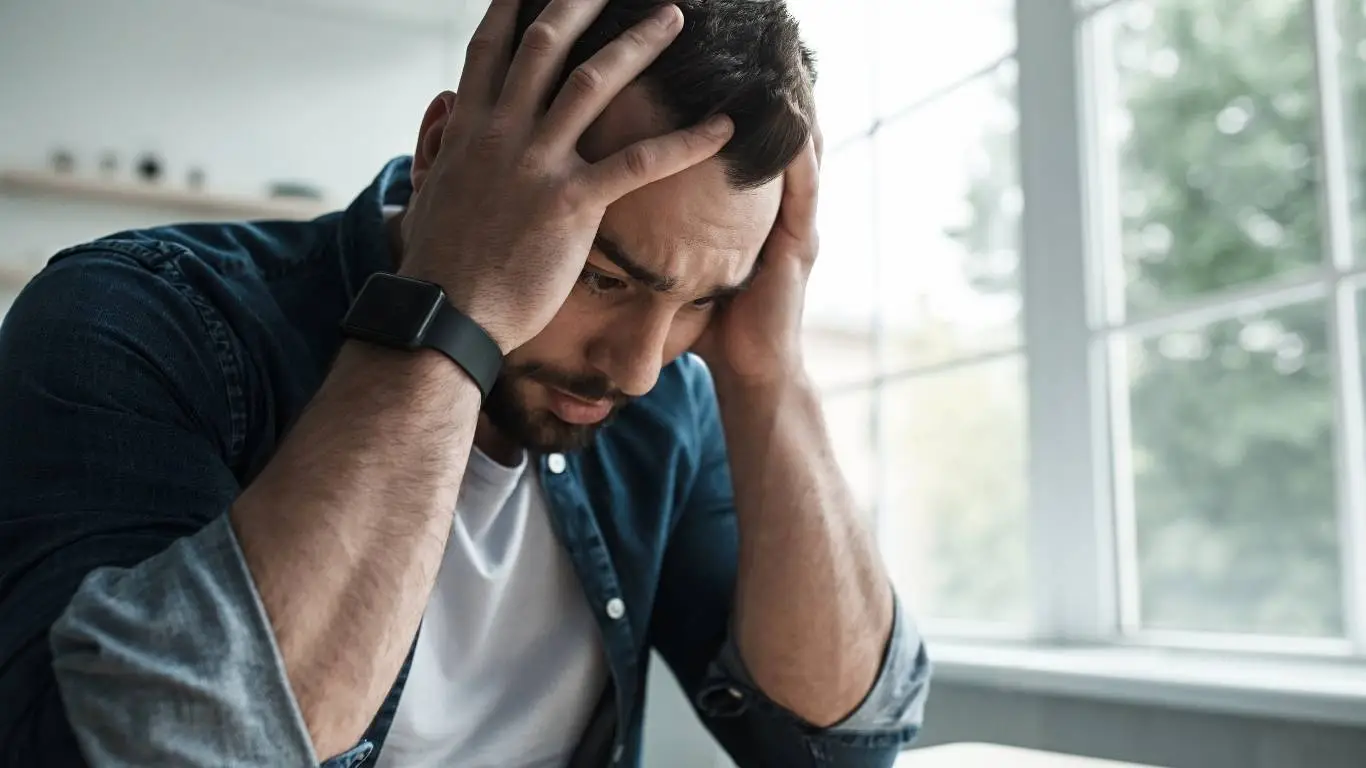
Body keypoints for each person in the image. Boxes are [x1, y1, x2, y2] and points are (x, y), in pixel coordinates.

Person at [0, 0, 930, 765]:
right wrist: (455, 308)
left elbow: (840, 745)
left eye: (701, 302)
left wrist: (770, 374)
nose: (641, 368)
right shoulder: (142, 316)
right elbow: (143, 747)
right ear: (445, 151)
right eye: (603, 276)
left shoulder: (671, 407)